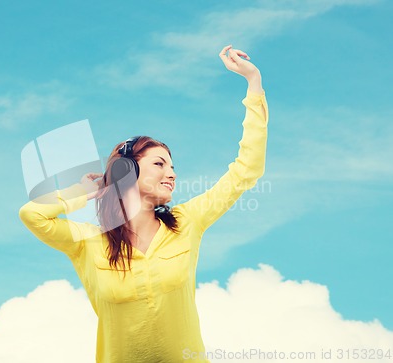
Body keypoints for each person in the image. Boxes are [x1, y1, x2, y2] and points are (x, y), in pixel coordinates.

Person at [19, 44, 269, 363]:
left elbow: (246, 170)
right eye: (160, 164)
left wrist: (253, 82)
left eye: (173, 166)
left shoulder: (187, 222)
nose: (172, 174)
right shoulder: (88, 244)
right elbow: (33, 215)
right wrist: (82, 192)